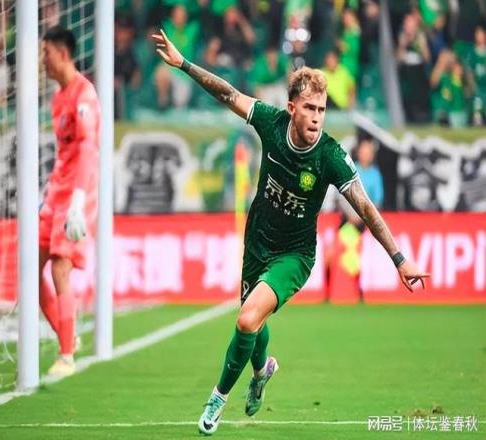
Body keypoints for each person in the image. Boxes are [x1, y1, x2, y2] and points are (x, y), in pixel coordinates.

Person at [153, 29, 429, 436]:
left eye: (322, 109)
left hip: (294, 255)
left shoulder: (330, 156)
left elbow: (366, 208)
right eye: (310, 108)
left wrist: (400, 259)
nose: (317, 116)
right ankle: (262, 371)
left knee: (246, 319)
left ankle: (217, 398)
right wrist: (183, 64)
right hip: (257, 240)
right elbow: (228, 94)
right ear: (292, 108)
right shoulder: (271, 122)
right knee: (254, 320)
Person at [40, 26, 101, 376]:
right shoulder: (57, 99)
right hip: (55, 193)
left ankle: (66, 356)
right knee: (30, 269)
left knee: (59, 267)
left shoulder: (84, 95)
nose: (42, 60)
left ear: (62, 53)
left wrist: (77, 202)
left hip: (78, 194)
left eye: (46, 52)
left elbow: (88, 150)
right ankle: (69, 336)